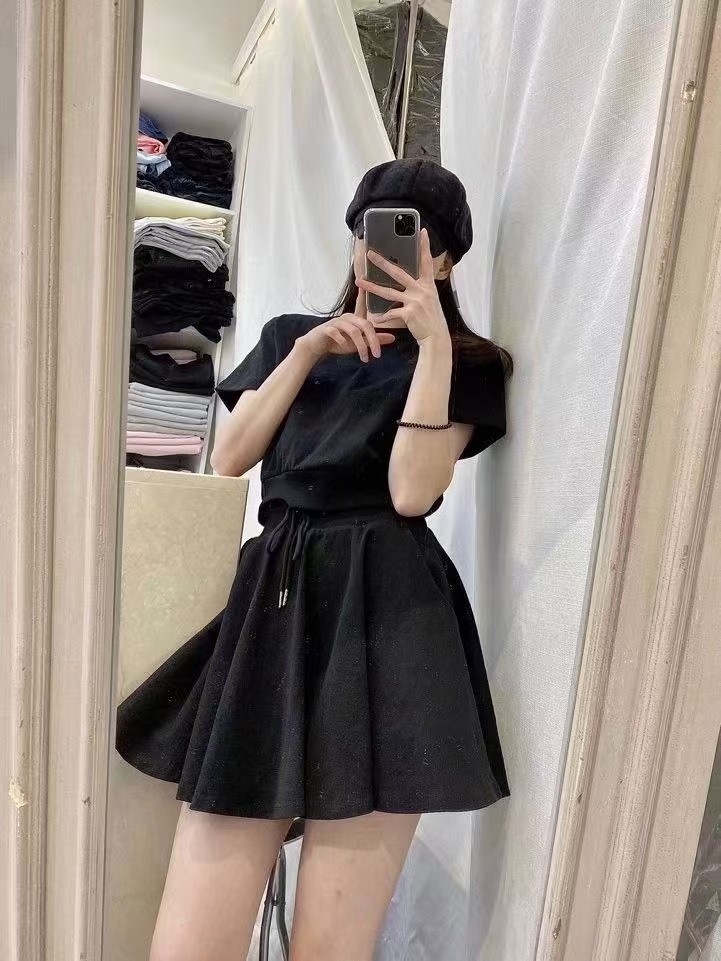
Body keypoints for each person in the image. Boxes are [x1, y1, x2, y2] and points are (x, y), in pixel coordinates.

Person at [115, 158, 514, 961]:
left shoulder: (469, 362)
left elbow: (411, 492)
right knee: (189, 942)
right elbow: (230, 458)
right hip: (276, 606)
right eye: (372, 230)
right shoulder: (290, 339)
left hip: (391, 620)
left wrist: (432, 348)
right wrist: (305, 352)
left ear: (444, 259)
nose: (384, 250)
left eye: (414, 236)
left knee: (330, 946)